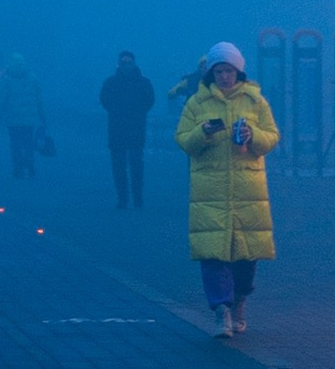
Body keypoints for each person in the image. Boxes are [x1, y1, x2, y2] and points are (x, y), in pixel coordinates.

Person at [174, 43, 278, 337]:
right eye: (219, 71)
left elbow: (272, 137)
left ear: (238, 72)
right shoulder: (197, 103)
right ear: (211, 73)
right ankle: (222, 311)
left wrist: (253, 135)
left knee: (246, 258)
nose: (224, 77)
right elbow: (183, 140)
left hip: (248, 191)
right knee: (213, 255)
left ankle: (241, 301)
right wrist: (202, 133)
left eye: (229, 71)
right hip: (211, 192)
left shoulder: (256, 102)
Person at [98, 50, 157, 210]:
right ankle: (123, 198)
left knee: (135, 164)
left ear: (133, 63)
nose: (126, 65)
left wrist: (134, 112)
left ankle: (137, 197)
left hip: (134, 128)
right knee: (119, 165)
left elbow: (150, 100)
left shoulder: (142, 83)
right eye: (124, 62)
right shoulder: (111, 83)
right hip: (119, 129)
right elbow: (104, 100)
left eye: (128, 62)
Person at [0, 51, 50, 180]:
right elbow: (39, 99)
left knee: (15, 144)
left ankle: (17, 169)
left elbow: (1, 100)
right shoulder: (34, 78)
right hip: (29, 119)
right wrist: (43, 116)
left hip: (13, 119)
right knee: (28, 142)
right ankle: (30, 165)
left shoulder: (6, 80)